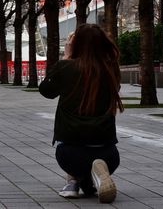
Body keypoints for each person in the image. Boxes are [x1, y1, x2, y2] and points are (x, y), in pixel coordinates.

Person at [39, 23, 124, 203]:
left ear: (75, 44)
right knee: (91, 180)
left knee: (73, 144)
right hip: (109, 154)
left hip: (70, 155)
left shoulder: (67, 67)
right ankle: (96, 175)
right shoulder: (110, 69)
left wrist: (67, 57)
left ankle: (72, 182)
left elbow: (46, 90)